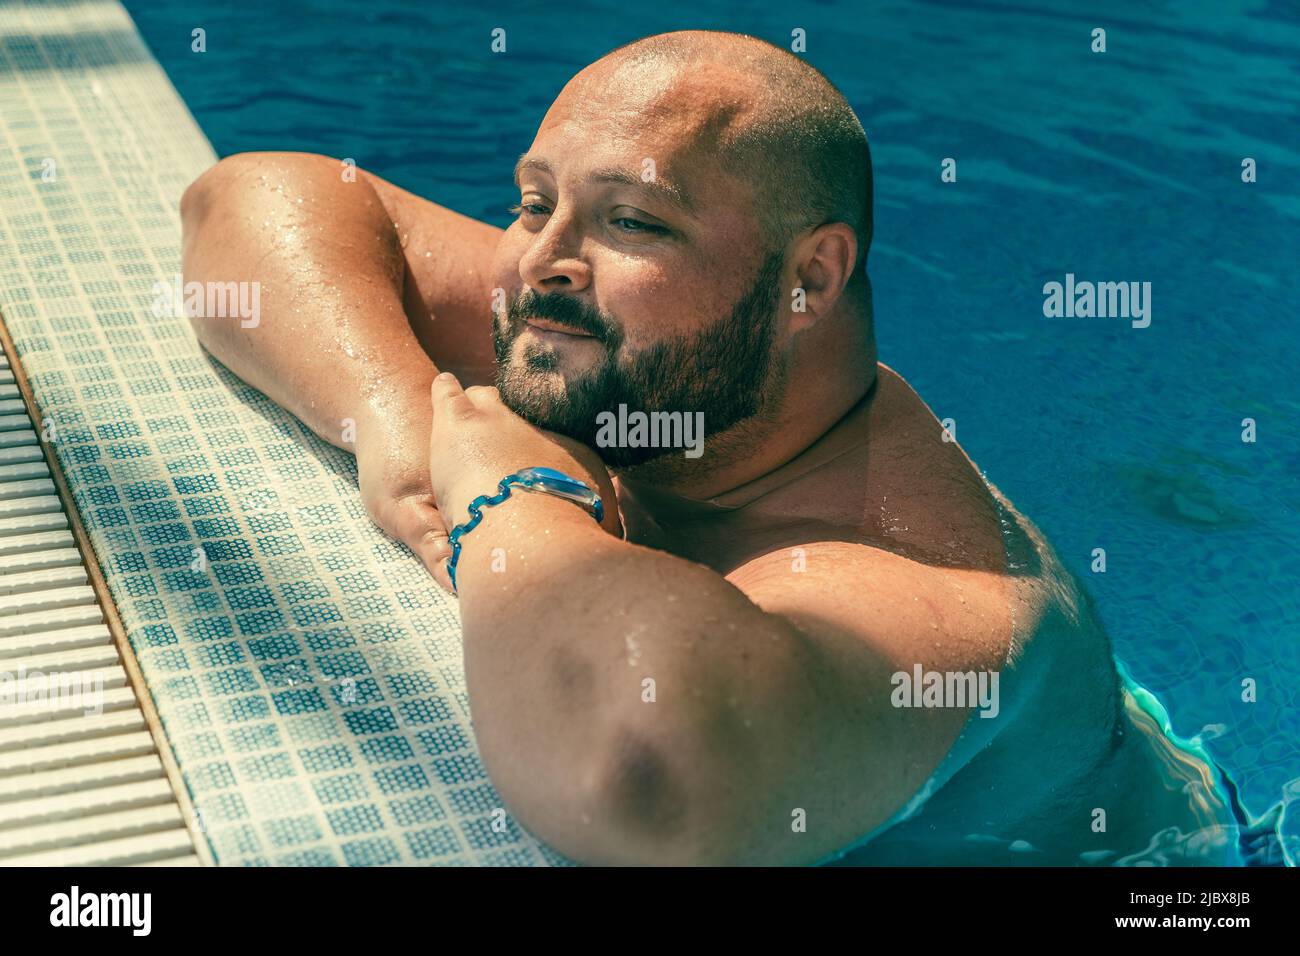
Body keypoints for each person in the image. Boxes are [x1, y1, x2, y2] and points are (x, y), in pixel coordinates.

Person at [179, 29, 1248, 866]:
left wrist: (511, 490)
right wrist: (406, 428)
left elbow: (645, 770)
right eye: (533, 201)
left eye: (633, 223)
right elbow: (251, 198)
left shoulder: (928, 588)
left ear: (810, 279)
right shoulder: (659, 357)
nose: (538, 264)